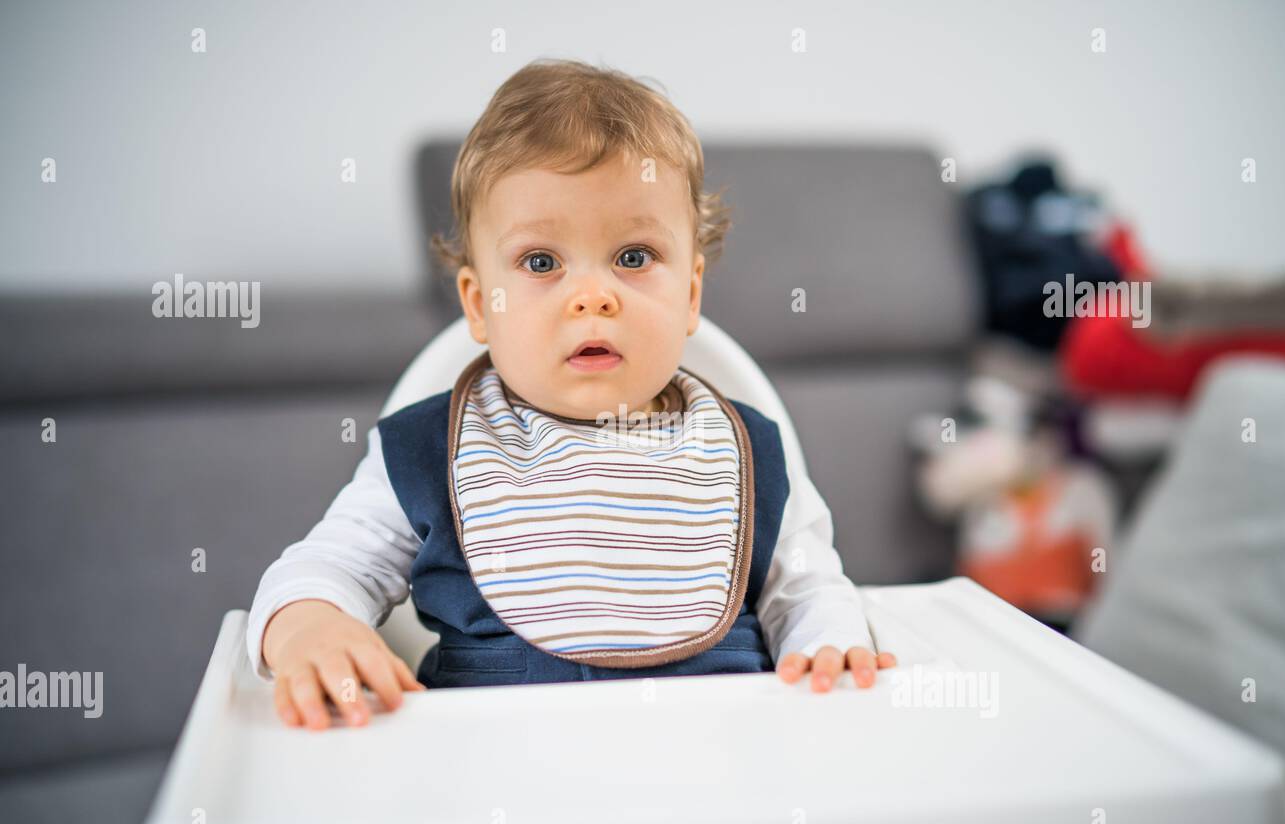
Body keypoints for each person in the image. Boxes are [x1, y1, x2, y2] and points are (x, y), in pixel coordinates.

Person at [247, 58, 893, 730]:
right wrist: (308, 629)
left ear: (691, 292)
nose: (593, 295)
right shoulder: (428, 451)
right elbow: (328, 566)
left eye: (634, 257)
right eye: (541, 262)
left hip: (718, 768)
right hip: (492, 775)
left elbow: (812, 591)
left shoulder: (750, 452)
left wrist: (829, 652)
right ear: (478, 303)